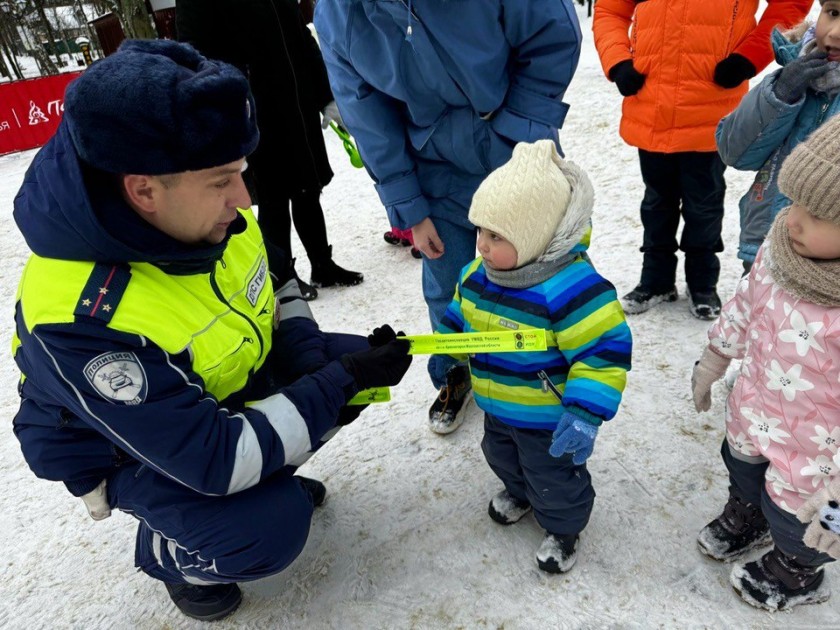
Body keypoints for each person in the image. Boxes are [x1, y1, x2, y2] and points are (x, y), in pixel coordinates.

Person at [10, 40, 413, 622]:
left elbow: (274, 283)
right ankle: (171, 549)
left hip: (210, 391)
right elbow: (213, 459)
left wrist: (311, 360)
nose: (244, 199)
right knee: (270, 529)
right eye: (223, 180)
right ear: (143, 189)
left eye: (241, 173)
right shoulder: (82, 315)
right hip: (129, 452)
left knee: (342, 369)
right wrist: (328, 387)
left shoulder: (201, 214)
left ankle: (261, 481)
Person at [313, 0, 582, 435]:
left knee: (539, 279)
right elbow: (367, 114)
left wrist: (521, 127)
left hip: (517, 149)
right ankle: (455, 371)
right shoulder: (339, 13)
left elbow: (552, 35)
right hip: (431, 166)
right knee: (447, 284)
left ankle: (550, 373)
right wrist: (409, 209)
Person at [437, 141, 632, 573]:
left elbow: (604, 353)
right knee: (501, 454)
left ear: (534, 237)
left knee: (553, 477)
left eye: (496, 236)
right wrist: (444, 338)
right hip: (497, 404)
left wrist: (584, 412)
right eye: (480, 232)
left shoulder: (572, 289)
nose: (482, 246)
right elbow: (460, 313)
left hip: (547, 416)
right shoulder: (478, 275)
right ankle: (519, 492)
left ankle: (564, 529)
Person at [691, 115, 840, 611]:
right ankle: (749, 513)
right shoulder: (780, 253)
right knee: (743, 466)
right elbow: (744, 306)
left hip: (818, 452)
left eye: (817, 215)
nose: (792, 218)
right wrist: (715, 359)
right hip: (754, 405)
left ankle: (797, 571)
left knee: (799, 517)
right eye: (793, 199)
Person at [593, 0, 811, 320]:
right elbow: (610, 10)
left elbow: (790, 4)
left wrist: (749, 56)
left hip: (710, 104)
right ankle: (656, 279)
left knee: (703, 202)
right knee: (656, 201)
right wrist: (618, 61)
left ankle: (702, 282)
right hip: (651, 103)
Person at [176, 0, 363, 301]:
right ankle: (280, 276)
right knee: (274, 196)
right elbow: (196, 52)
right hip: (253, 108)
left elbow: (302, 38)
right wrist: (226, 106)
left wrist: (325, 95)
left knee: (308, 186)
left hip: (298, 101)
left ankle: (322, 264)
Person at [716, 1, 840, 274]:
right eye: (833, 12)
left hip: (829, 274)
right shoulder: (794, 72)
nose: (834, 33)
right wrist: (780, 95)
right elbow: (733, 151)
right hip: (765, 252)